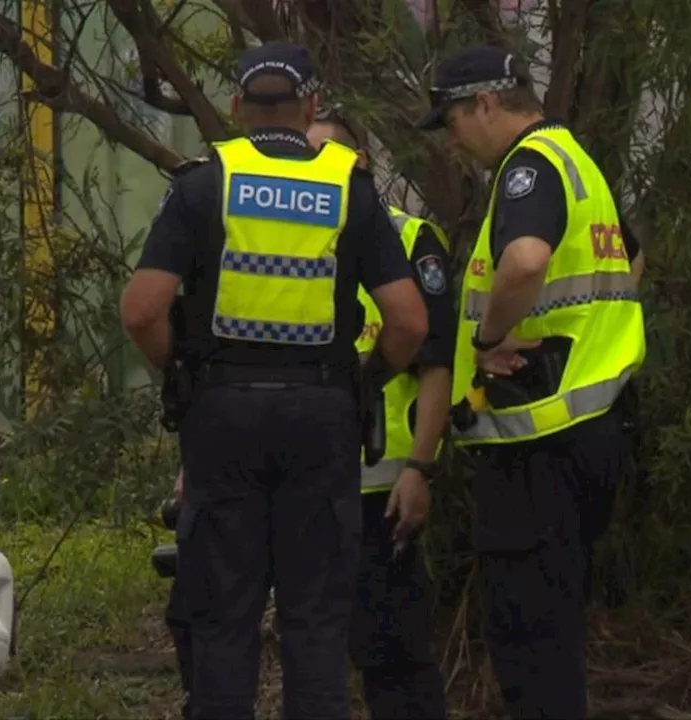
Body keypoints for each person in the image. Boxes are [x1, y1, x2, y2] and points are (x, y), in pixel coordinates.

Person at [120, 40, 428, 720]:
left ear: (234, 107)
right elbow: (408, 321)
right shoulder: (349, 188)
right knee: (315, 622)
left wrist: (178, 368)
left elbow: (141, 309)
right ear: (311, 105)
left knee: (223, 617)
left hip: (222, 416)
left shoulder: (205, 185)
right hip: (322, 416)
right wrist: (363, 379)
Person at [415, 46, 646, 719]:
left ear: (486, 104)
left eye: (453, 122)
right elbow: (632, 257)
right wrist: (593, 342)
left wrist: (489, 340)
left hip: (540, 445)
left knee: (529, 640)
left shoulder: (531, 168)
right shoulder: (577, 161)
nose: (453, 140)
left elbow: (524, 260)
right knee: (557, 629)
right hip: (593, 424)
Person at [308, 105, 453, 720]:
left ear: (360, 164)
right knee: (314, 650)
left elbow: (438, 364)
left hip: (381, 489)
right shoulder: (289, 246)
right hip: (305, 486)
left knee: (394, 653)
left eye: (323, 157)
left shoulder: (410, 239)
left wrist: (420, 468)